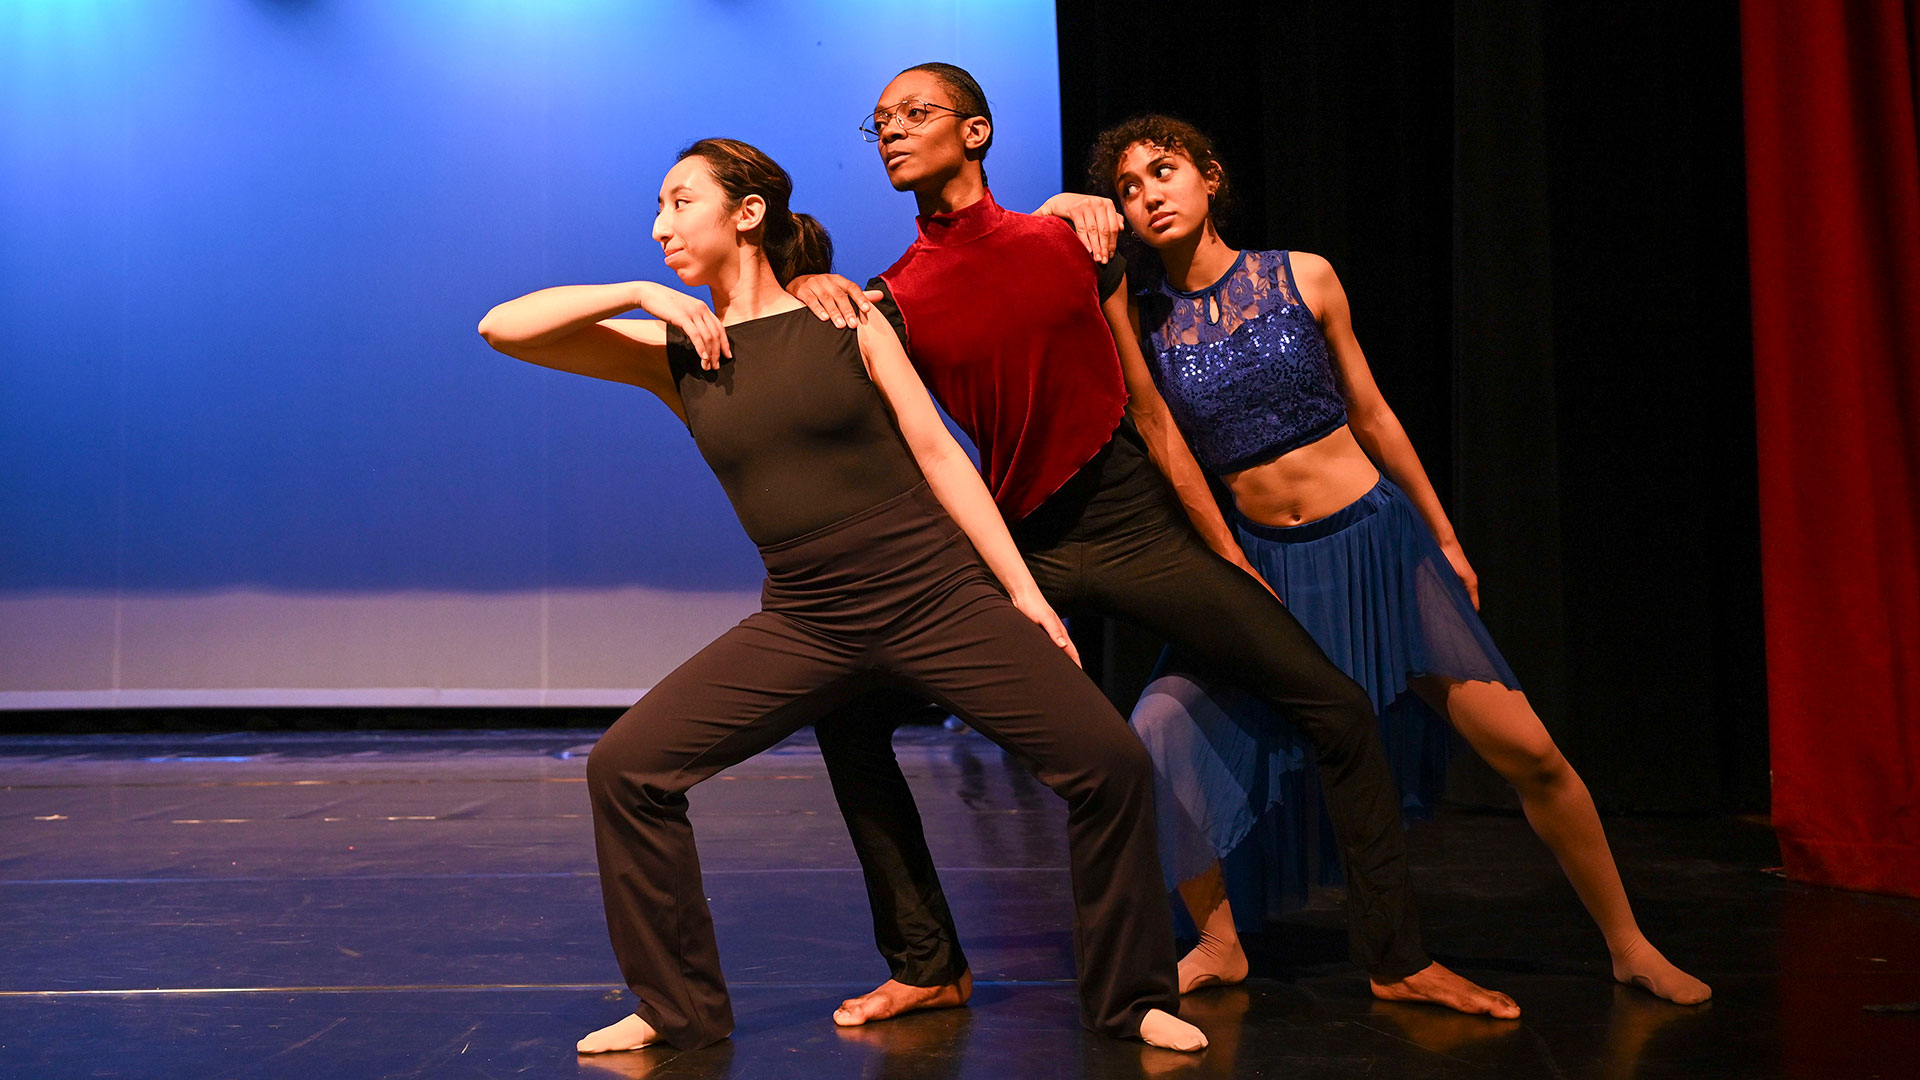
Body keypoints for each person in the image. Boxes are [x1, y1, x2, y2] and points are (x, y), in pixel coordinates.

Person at [786, 62, 1520, 1023]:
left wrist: (1227, 553)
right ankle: (928, 961)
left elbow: (1151, 398)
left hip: (1133, 519)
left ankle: (1396, 959)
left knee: (1337, 711)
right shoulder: (894, 294)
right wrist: (805, 279)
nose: (890, 131)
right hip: (1026, 548)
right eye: (878, 121)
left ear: (976, 133)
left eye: (915, 114)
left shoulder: (1074, 238)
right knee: (848, 713)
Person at [476, 137, 1207, 1052]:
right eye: (656, 210)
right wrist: (639, 294)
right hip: (807, 617)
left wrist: (1023, 593)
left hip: (933, 592)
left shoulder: (845, 318)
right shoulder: (676, 349)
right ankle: (676, 1008)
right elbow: (502, 327)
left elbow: (939, 453)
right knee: (626, 770)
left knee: (1110, 763)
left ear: (746, 214)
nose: (661, 226)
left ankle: (1131, 998)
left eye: (678, 203)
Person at [1086, 112, 1711, 1005]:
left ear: (1210, 176)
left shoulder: (1303, 276)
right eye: (1128, 190)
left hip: (1378, 547)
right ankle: (1220, 942)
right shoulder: (1140, 321)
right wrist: (1226, 562)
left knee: (1531, 753)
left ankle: (1627, 943)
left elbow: (1373, 414)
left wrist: (1445, 537)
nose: (1148, 195)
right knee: (1156, 729)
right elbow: (1164, 446)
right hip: (1261, 566)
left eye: (1163, 171)